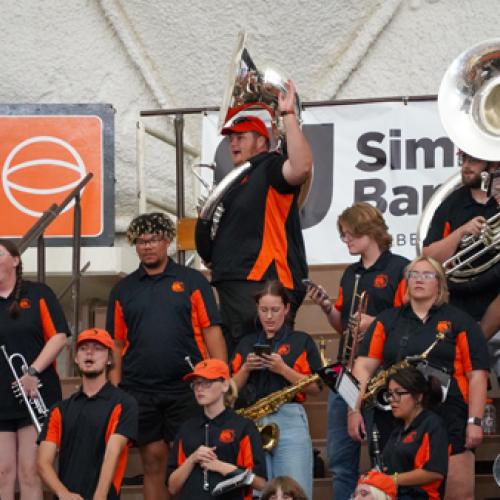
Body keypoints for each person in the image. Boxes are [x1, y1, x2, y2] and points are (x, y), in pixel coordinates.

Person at [106, 212, 226, 500]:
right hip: (140, 389)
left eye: (155, 239)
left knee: (192, 460)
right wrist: (114, 388)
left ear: (168, 241)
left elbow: (212, 333)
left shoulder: (193, 281)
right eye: (141, 241)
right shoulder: (123, 289)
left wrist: (222, 377)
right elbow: (116, 344)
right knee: (153, 461)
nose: (148, 246)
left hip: (189, 388)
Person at [348, 256, 489, 500]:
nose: (419, 280)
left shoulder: (461, 321)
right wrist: (353, 410)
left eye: (427, 275)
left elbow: (477, 375)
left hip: (449, 418)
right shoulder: (386, 320)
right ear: (406, 283)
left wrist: (474, 421)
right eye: (414, 275)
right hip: (394, 421)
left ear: (440, 284)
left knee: (459, 495)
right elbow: (362, 367)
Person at [196, 80, 313, 355]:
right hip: (235, 283)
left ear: (262, 141)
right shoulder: (238, 179)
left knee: (265, 362)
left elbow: (300, 167)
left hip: (262, 281)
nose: (233, 143)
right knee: (242, 363)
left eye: (241, 136)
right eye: (230, 137)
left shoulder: (269, 167)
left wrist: (288, 116)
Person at [307, 203, 408, 500]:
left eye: (351, 234)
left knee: (385, 457)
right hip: (347, 372)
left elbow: (409, 323)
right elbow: (342, 326)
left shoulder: (399, 268)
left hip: (383, 374)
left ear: (370, 231)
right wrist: (327, 307)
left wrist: (374, 322)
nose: (347, 240)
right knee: (340, 460)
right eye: (343, 235)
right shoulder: (350, 274)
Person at [231, 280, 322, 499]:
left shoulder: (301, 341)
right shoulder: (246, 342)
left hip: (289, 418)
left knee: (295, 490)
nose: (269, 316)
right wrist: (245, 369)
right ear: (257, 309)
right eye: (263, 310)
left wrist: (283, 369)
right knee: (256, 492)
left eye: (275, 310)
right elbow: (228, 391)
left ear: (287, 309)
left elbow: (316, 387)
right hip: (252, 421)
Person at [0, 238, 70, 500]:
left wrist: (32, 372)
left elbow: (59, 336)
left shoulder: (39, 293)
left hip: (36, 394)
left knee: (30, 471)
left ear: (15, 261)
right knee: (3, 473)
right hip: (1, 397)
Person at [37, 328, 138, 500]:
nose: (89, 352)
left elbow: (112, 452)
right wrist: (63, 493)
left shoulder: (124, 403)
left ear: (109, 359)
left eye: (98, 348)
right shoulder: (59, 410)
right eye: (83, 348)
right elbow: (42, 462)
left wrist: (99, 496)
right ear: (76, 358)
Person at [167, 358, 266, 499]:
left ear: (225, 385)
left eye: (206, 382)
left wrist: (221, 467)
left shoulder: (243, 426)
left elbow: (260, 483)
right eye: (195, 384)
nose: (199, 388)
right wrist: (192, 459)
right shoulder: (186, 428)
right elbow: (172, 487)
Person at [423, 150, 500, 323]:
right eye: (463, 159)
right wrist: (460, 232)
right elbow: (428, 257)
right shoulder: (452, 202)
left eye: (474, 160)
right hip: (460, 303)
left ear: (493, 164)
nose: (466, 166)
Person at [379, 367, 448, 499]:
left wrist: (391, 480)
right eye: (390, 394)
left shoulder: (433, 424)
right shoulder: (397, 429)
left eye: (399, 393)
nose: (392, 399)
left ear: (418, 396)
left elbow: (435, 472)